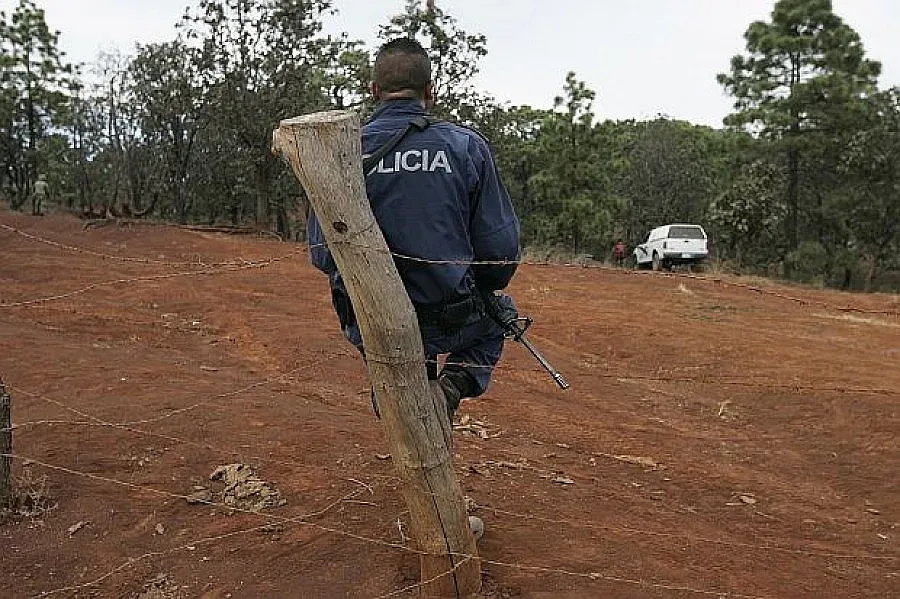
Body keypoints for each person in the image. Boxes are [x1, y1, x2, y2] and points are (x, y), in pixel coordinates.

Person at [307, 38, 521, 423]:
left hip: (371, 317)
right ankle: (452, 387)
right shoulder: (465, 147)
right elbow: (499, 254)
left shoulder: (342, 150)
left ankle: (402, 393)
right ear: (430, 91)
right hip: (447, 315)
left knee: (397, 367)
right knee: (499, 314)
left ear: (374, 91)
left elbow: (322, 254)